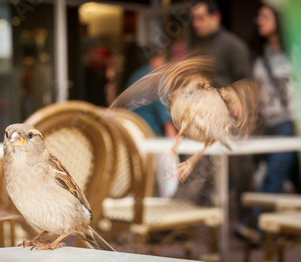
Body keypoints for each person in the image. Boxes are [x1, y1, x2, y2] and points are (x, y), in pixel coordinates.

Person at [172, 0, 256, 207]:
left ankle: (252, 223)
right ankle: (177, 221)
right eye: (194, 19)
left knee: (242, 172)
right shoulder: (197, 47)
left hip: (230, 120)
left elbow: (246, 83)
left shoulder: (232, 45)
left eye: (201, 18)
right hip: (202, 120)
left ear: (215, 16)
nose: (196, 24)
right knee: (195, 170)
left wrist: (238, 112)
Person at [236, 4, 298, 243]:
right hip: (269, 125)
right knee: (273, 176)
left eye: (265, 16)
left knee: (273, 176)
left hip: (290, 124)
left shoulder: (294, 52)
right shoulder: (261, 59)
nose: (258, 20)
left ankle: (253, 224)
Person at [124, 48, 179, 197]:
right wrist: (171, 133)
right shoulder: (158, 76)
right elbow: (162, 107)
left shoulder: (134, 77)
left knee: (135, 176)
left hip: (132, 133)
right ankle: (172, 203)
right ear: (156, 59)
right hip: (151, 133)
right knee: (169, 174)